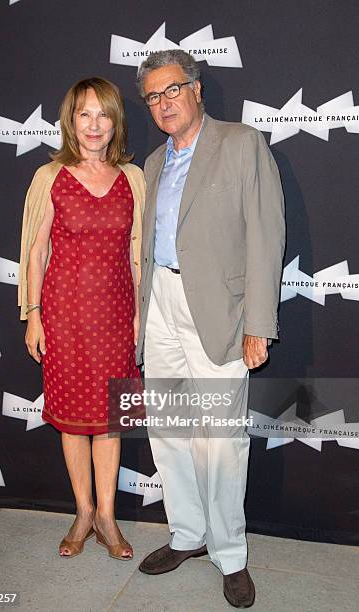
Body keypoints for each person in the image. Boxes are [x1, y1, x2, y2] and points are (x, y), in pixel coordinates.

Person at [135, 50, 285, 608]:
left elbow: (267, 237)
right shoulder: (152, 162)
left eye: (172, 90)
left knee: (220, 441)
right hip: (160, 310)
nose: (163, 103)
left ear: (197, 89)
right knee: (170, 431)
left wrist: (258, 324)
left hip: (220, 312)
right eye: (153, 96)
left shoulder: (242, 143)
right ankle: (187, 535)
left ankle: (230, 554)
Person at [18, 77, 145, 560]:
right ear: (70, 121)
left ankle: (109, 518)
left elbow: (140, 257)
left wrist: (139, 317)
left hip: (117, 316)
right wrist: (33, 316)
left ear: (116, 121)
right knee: (73, 423)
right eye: (84, 115)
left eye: (104, 114)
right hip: (65, 317)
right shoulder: (50, 176)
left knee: (111, 421)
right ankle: (84, 512)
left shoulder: (133, 179)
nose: (94, 125)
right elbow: (36, 252)